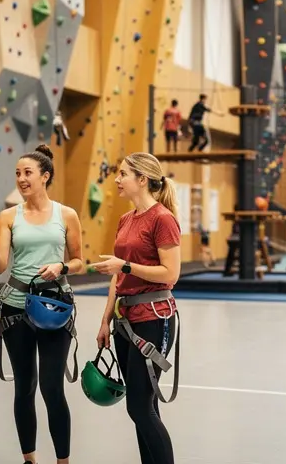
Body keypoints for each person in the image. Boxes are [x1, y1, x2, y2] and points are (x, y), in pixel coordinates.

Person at [0, 144, 85, 464]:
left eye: (28, 172)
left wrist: (61, 266)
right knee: (25, 387)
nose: (21, 179)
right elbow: (0, 266)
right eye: (17, 173)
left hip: (54, 307)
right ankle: (29, 459)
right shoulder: (8, 217)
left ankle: (63, 461)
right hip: (16, 309)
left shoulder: (66, 215)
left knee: (52, 388)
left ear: (45, 176)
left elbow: (79, 261)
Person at [93, 152, 181, 464]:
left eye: (123, 174)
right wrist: (105, 320)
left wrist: (126, 266)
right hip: (125, 320)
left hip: (153, 319)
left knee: (139, 407)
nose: (117, 180)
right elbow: (117, 276)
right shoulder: (125, 219)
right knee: (145, 406)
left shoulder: (163, 219)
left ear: (142, 179)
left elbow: (170, 274)